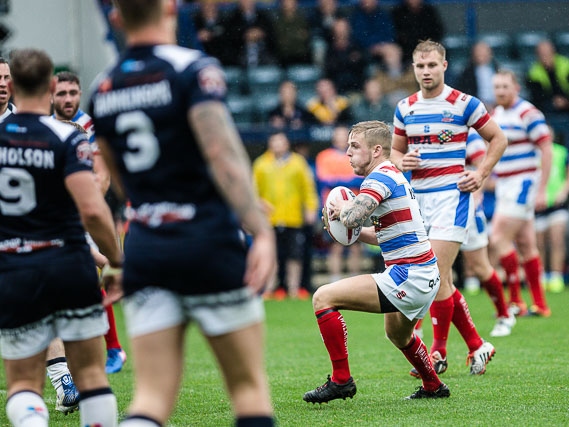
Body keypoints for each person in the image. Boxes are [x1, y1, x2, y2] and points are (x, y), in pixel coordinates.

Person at [91, 1, 277, 425]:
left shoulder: (103, 87)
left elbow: (116, 175)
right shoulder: (193, 68)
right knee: (248, 390)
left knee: (151, 399)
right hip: (207, 242)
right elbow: (222, 155)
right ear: (171, 8)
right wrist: (261, 232)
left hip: (147, 247)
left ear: (117, 18)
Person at [0, 48, 122, 427]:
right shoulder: (69, 137)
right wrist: (114, 258)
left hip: (16, 267)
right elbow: (92, 209)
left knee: (22, 382)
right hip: (69, 265)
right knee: (91, 376)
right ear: (52, 87)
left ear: (13, 86)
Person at [303, 120, 449, 403]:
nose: (348, 153)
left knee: (323, 298)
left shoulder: (379, 178)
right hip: (424, 273)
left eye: (355, 147)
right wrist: (350, 228)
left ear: (377, 150)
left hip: (409, 275)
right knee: (397, 334)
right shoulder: (391, 175)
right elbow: (382, 235)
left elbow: (352, 217)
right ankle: (433, 385)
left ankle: (341, 381)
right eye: (347, 147)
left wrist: (341, 210)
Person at [391, 40, 508, 376]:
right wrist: (403, 160)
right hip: (418, 199)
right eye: (419, 66)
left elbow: (497, 138)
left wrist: (481, 174)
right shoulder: (405, 108)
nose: (425, 72)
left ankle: (438, 354)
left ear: (444, 65)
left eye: (431, 65)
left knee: (437, 275)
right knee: (439, 279)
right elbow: (395, 154)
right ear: (413, 68)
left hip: (452, 197)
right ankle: (476, 345)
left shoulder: (463, 103)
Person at [52, 70, 128, 375]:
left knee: (92, 271)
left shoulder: (89, 126)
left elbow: (103, 176)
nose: (68, 99)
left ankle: (112, 348)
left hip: (84, 212)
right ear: (51, 95)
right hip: (57, 215)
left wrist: (81, 204)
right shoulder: (46, 127)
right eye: (62, 94)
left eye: (73, 93)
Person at [489, 69, 553, 317]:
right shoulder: (497, 114)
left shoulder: (529, 113)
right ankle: (540, 304)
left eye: (505, 86)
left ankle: (516, 301)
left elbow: (546, 149)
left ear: (516, 87)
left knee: (498, 237)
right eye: (497, 87)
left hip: (523, 184)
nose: (501, 91)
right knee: (526, 243)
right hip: (506, 186)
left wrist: (543, 189)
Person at [253, 132, 318, 300]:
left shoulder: (298, 163)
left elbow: (308, 188)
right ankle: (269, 288)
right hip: (270, 218)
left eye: (280, 142)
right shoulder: (261, 164)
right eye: (274, 142)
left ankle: (293, 288)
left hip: (293, 217)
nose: (277, 145)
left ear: (287, 144)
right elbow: (253, 190)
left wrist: (311, 208)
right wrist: (258, 204)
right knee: (271, 255)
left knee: (294, 255)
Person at [315, 125, 365, 283]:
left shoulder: (356, 155)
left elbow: (361, 179)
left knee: (356, 246)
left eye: (345, 136)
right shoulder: (324, 156)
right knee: (335, 245)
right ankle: (335, 281)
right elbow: (324, 180)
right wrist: (349, 180)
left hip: (355, 206)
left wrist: (339, 180)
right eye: (339, 135)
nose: (342, 139)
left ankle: (354, 281)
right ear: (333, 138)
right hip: (332, 208)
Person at [526, 39, 569, 146]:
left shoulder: (566, 66)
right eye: (541, 54)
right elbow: (536, 98)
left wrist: (565, 101)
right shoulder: (533, 73)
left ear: (553, 52)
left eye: (547, 53)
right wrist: (553, 102)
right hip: (548, 111)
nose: (545, 57)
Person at [350, 0, 402, 77]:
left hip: (383, 48)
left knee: (394, 50)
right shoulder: (356, 16)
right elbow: (357, 37)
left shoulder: (383, 14)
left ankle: (395, 80)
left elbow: (390, 35)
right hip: (363, 49)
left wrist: (380, 46)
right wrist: (373, 46)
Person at [224, 0, 277, 68]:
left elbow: (272, 38)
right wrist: (245, 35)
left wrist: (261, 34)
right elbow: (229, 40)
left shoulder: (263, 17)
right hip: (239, 60)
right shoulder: (232, 19)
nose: (247, 2)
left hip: (264, 58)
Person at [391, 0, 445, 66]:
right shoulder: (397, 12)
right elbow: (395, 34)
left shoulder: (429, 11)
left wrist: (427, 43)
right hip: (405, 48)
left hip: (427, 46)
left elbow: (438, 31)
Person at [323, 17, 367, 95]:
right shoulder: (329, 48)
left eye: (343, 27)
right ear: (334, 30)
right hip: (337, 88)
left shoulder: (356, 45)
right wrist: (350, 59)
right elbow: (330, 68)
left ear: (348, 29)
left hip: (357, 86)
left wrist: (343, 61)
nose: (341, 31)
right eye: (338, 28)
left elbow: (363, 63)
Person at [456, 41, 500, 109]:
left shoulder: (496, 69)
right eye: (479, 52)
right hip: (476, 107)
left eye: (485, 52)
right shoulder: (467, 73)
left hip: (498, 105)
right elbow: (465, 93)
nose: (482, 55)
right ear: (474, 54)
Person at [272, 0, 312, 68]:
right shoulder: (276, 21)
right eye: (286, 2)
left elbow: (306, 36)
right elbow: (280, 39)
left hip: (302, 55)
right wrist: (298, 35)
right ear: (281, 4)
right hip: (283, 56)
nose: (288, 4)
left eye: (291, 2)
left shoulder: (303, 19)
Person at [193, 0, 231, 65]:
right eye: (206, 5)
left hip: (223, 61)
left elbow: (229, 39)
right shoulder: (195, 21)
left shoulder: (226, 20)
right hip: (200, 61)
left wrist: (211, 34)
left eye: (212, 5)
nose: (209, 8)